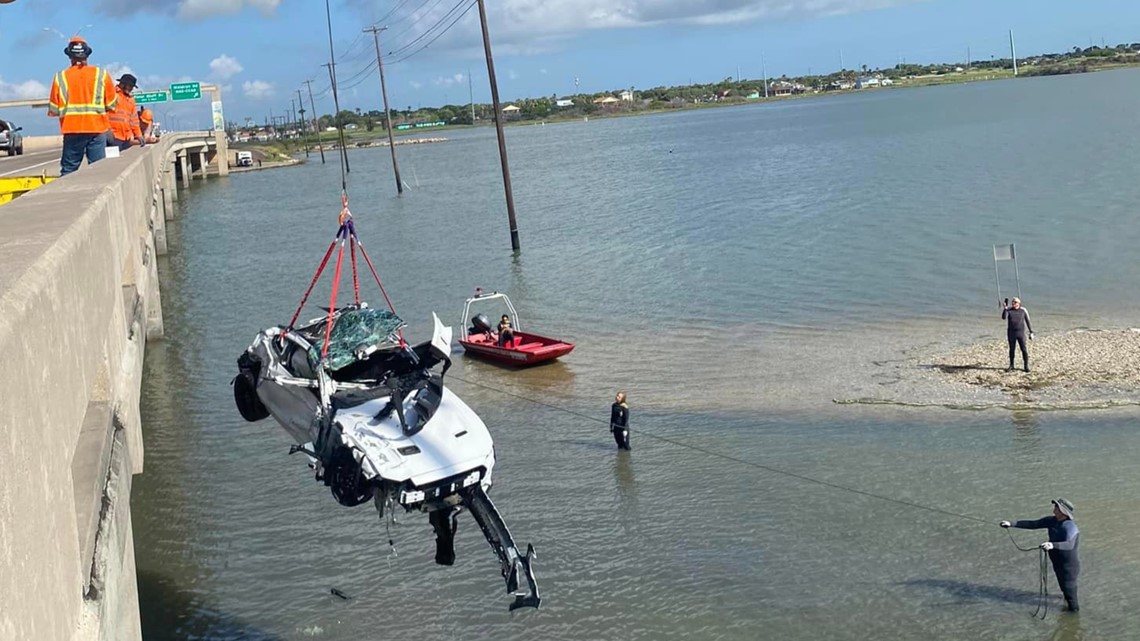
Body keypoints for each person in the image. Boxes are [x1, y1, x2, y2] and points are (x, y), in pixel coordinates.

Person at [48, 37, 117, 176]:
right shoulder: (101, 74)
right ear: (87, 54)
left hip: (72, 129)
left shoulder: (60, 77)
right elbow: (111, 105)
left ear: (69, 56)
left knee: (69, 171)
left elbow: (54, 109)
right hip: (96, 129)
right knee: (98, 170)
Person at [1000, 498, 1080, 613]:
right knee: (1064, 589)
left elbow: (1069, 544)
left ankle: (1073, 618)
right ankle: (1066, 609)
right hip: (1057, 563)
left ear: (1063, 511)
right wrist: (1011, 523)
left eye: (1057, 507)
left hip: (1069, 567)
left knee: (1071, 596)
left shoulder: (1070, 527)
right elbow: (1033, 524)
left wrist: (1052, 545)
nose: (1054, 510)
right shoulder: (1051, 521)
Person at [108, 74, 142, 151]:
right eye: (129, 86)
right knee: (113, 161)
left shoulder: (131, 100)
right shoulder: (112, 95)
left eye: (132, 87)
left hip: (127, 138)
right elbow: (103, 114)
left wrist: (138, 134)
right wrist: (107, 131)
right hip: (113, 136)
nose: (130, 89)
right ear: (122, 84)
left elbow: (134, 121)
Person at [1002, 297, 1034, 372]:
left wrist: (1031, 331)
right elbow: (1004, 317)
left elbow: (1027, 321)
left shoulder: (1023, 311)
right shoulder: (1009, 310)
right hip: (1011, 333)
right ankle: (1011, 365)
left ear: (1019, 303)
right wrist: (1005, 308)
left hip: (1021, 333)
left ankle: (1026, 366)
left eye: (1015, 302)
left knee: (1024, 349)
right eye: (1013, 302)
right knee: (1012, 349)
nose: (1013, 303)